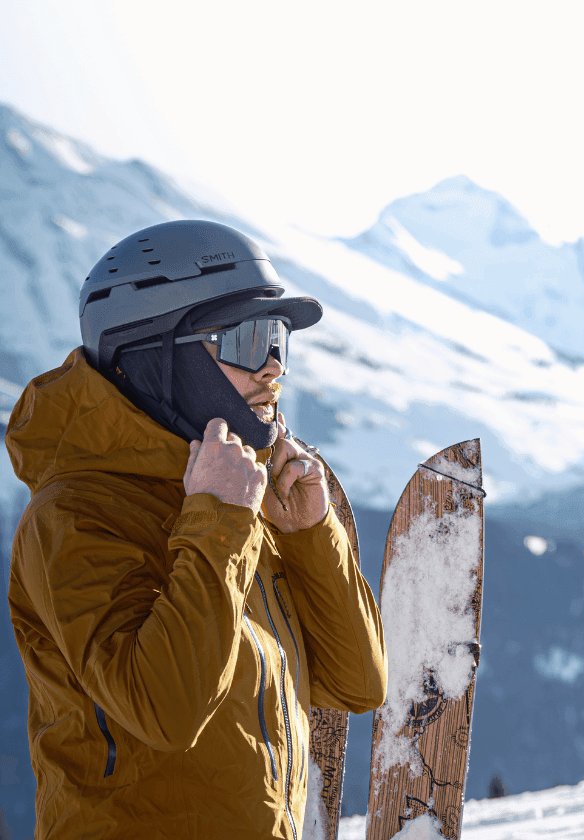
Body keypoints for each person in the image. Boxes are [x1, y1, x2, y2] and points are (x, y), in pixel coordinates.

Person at [5, 220, 387, 840]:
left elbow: (358, 683)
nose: (273, 368)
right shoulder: (74, 517)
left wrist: (310, 536)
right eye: (246, 340)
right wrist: (218, 519)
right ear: (154, 359)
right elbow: (164, 711)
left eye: (279, 339)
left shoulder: (235, 495)